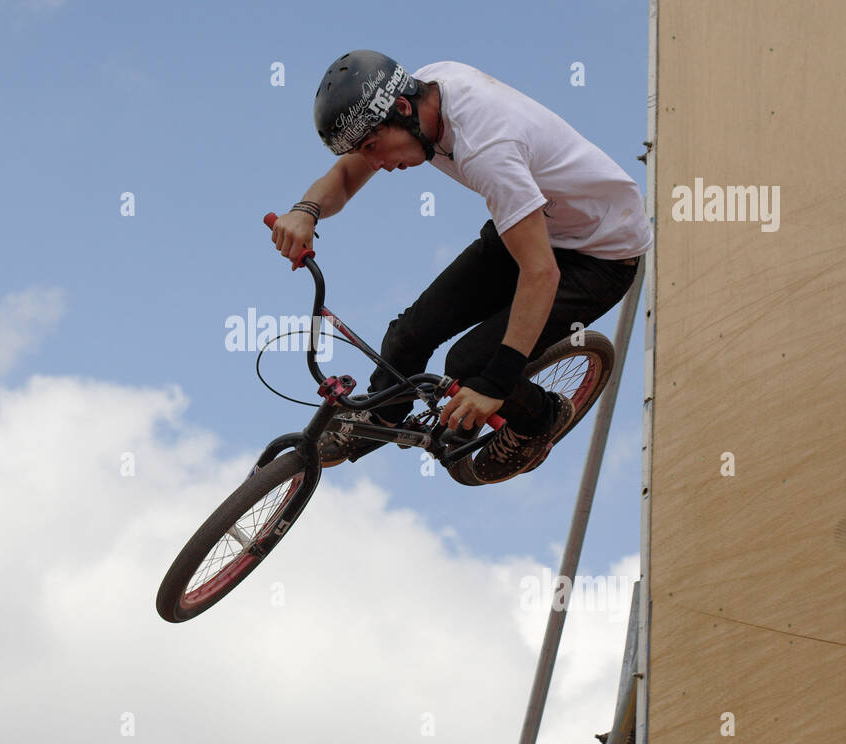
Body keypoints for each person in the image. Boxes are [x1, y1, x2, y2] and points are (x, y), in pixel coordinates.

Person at [269, 50, 652, 483]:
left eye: (374, 148)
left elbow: (541, 273)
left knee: (471, 364)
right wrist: (306, 210)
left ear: (402, 109)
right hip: (540, 223)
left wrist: (494, 385)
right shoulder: (421, 94)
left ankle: (541, 418)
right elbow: (345, 175)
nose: (375, 164)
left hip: (601, 255)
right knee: (407, 337)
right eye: (365, 151)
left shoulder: (487, 147)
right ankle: (384, 418)